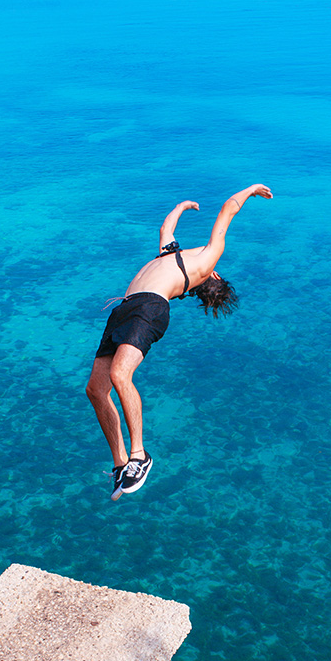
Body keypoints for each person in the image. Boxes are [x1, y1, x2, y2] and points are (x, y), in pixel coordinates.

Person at [86, 183, 273, 499]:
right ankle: (120, 465)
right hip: (124, 309)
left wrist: (251, 190)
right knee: (95, 389)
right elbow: (165, 230)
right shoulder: (174, 257)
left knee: (120, 375)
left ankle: (139, 456)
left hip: (149, 308)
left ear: (213, 277)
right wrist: (181, 208)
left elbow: (228, 208)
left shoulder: (206, 262)